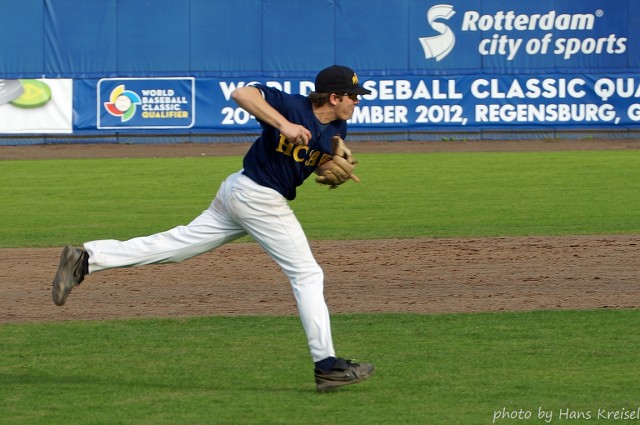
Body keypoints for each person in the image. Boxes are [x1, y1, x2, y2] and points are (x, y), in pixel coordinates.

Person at [51, 65, 374, 391]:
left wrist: (330, 168)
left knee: (177, 246)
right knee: (307, 274)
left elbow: (312, 160)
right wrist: (284, 124)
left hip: (241, 193)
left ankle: (88, 258)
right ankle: (327, 365)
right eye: (353, 96)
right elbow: (241, 94)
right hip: (257, 196)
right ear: (334, 97)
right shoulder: (290, 106)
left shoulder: (338, 129)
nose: (357, 102)